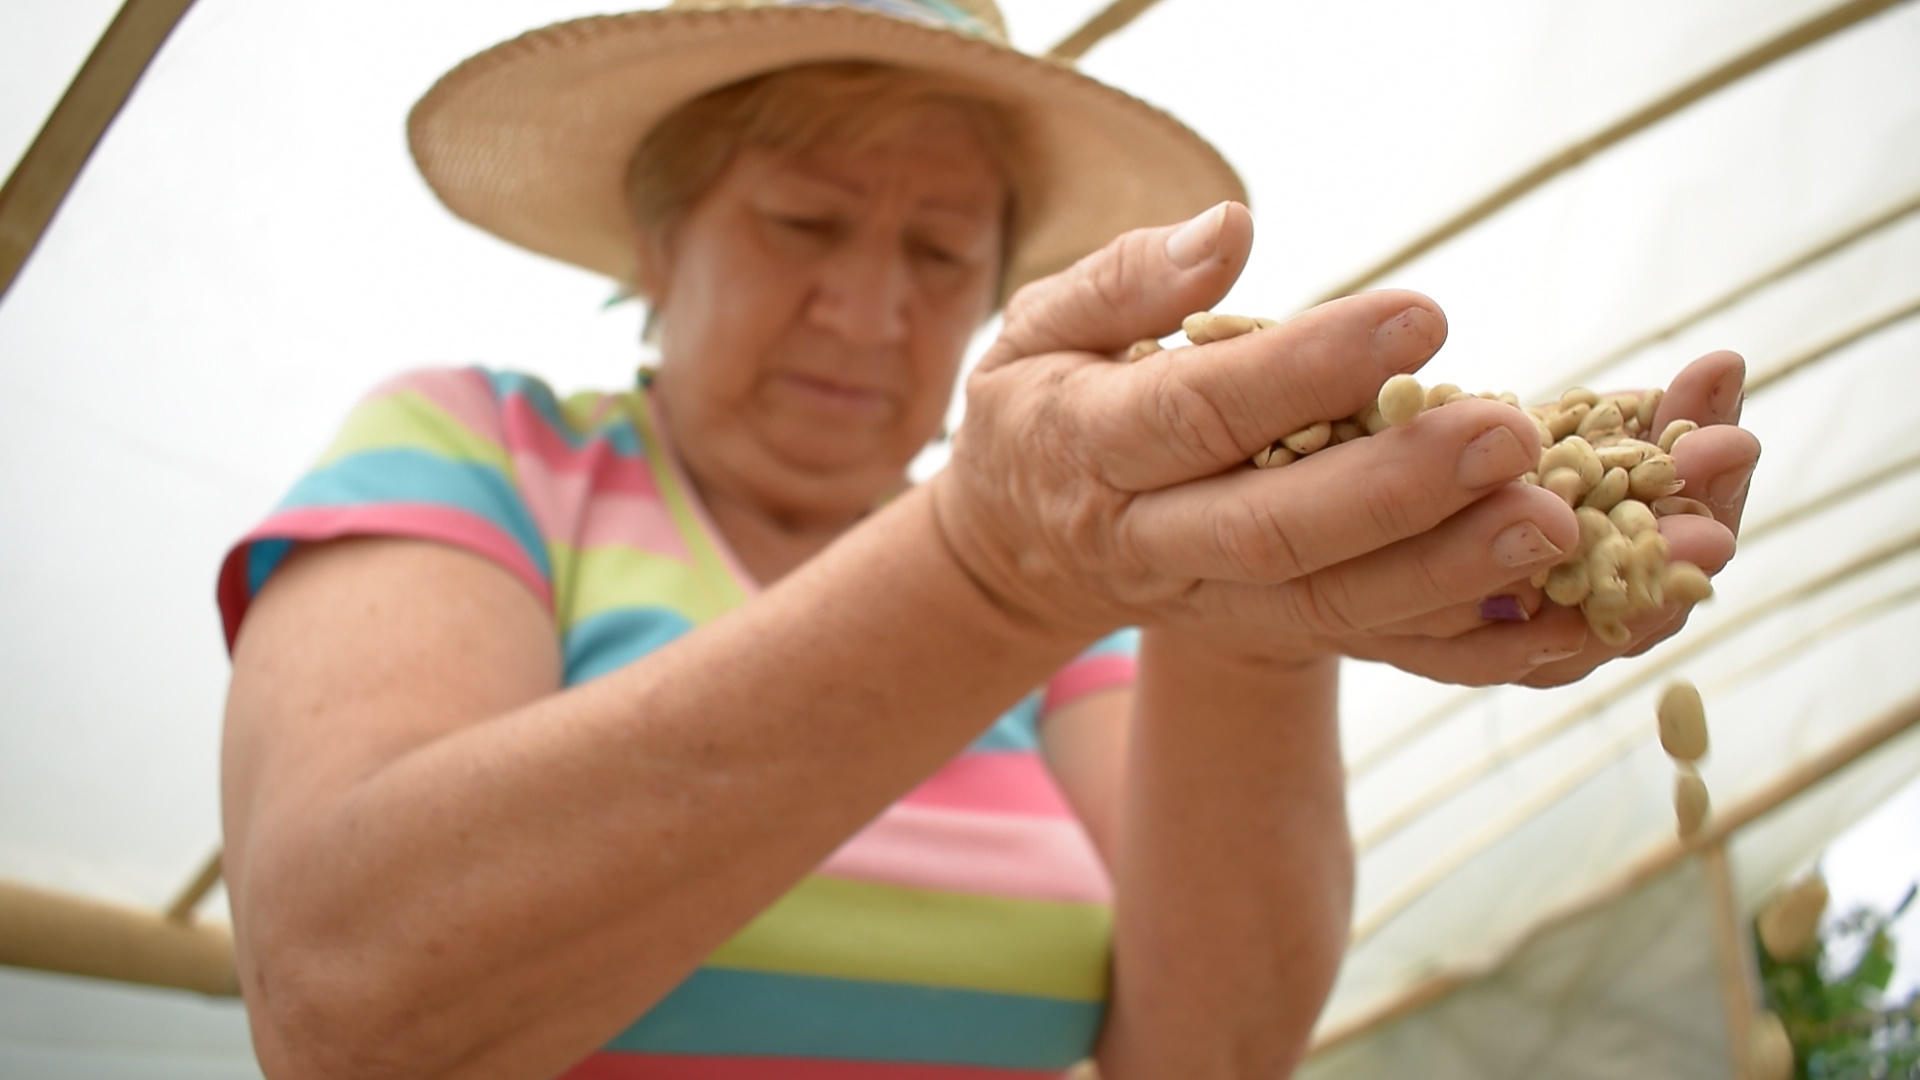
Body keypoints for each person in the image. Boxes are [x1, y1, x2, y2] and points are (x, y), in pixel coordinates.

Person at [214, 2, 1764, 1078]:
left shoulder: (1092, 592)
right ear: (656, 237)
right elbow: (350, 1009)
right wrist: (983, 569)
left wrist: (1251, 620)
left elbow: (1207, 1059)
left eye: (942, 251)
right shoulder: (481, 453)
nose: (871, 310)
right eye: (803, 224)